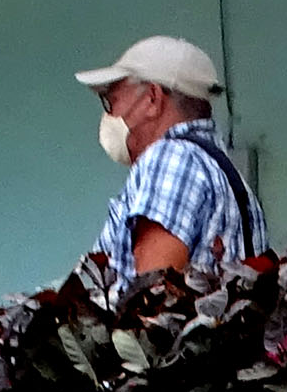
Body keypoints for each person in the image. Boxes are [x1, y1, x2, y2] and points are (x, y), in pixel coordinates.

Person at [77, 35, 258, 277]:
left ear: (152, 98)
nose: (109, 116)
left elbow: (152, 292)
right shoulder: (224, 172)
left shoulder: (172, 158)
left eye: (112, 102)